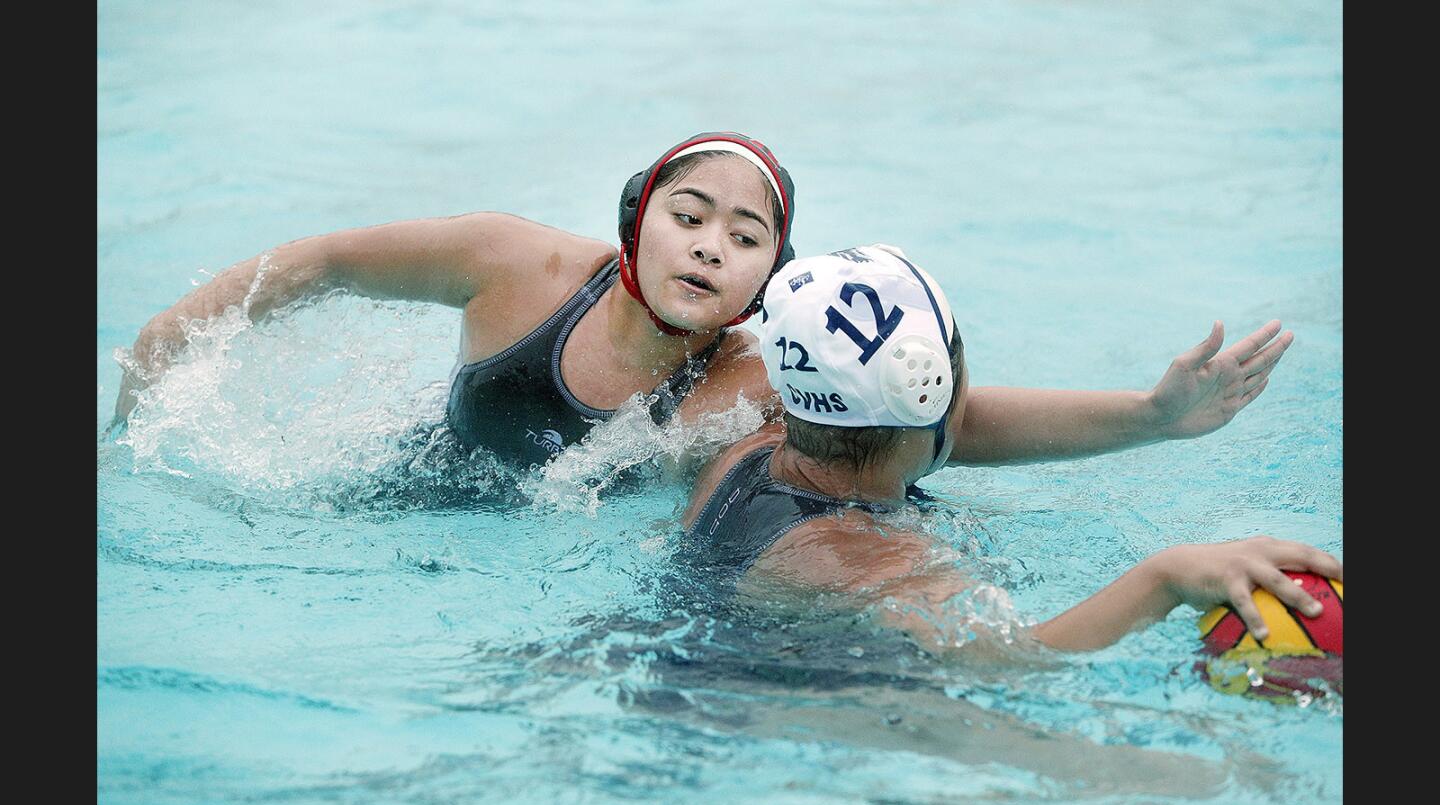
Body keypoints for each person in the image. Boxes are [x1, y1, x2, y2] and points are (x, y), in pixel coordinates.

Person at [111, 131, 1292, 474]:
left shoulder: (754, 372)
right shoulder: (513, 266)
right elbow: (318, 263)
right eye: (689, 212)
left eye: (746, 235)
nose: (710, 245)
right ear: (635, 217)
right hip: (412, 487)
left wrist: (1151, 416)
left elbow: (946, 423)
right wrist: (160, 360)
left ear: (768, 275)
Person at [680, 245, 1340, 656]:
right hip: (785, 712)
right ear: (929, 388)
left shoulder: (751, 445)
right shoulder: (873, 561)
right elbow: (1015, 663)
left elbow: (951, 428)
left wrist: (1153, 417)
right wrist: (1164, 577)